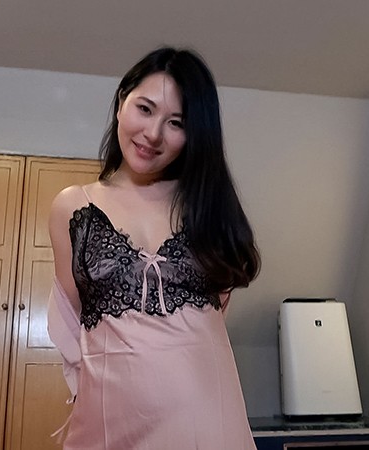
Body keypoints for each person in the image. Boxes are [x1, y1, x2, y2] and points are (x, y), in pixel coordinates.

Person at [47, 46, 261, 450]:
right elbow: (72, 322)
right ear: (121, 102)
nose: (153, 134)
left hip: (205, 421)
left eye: (176, 122)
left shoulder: (206, 208)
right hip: (109, 419)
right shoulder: (72, 207)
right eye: (145, 109)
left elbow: (210, 322)